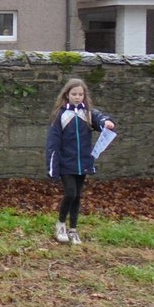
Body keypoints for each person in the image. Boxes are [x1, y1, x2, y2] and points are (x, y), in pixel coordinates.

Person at [45, 77, 115, 245]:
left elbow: (100, 119)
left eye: (80, 94)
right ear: (67, 94)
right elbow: (52, 144)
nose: (77, 97)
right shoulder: (60, 115)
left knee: (77, 196)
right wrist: (52, 167)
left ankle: (73, 229)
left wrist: (106, 123)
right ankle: (60, 224)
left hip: (83, 162)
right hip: (66, 163)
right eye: (74, 94)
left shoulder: (88, 113)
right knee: (70, 193)